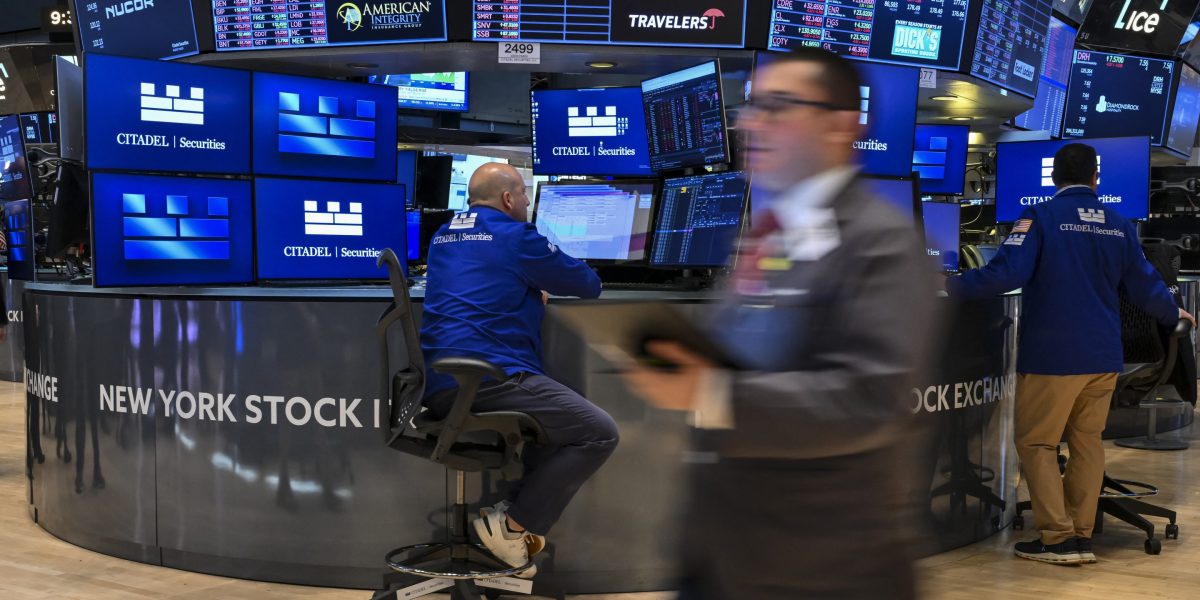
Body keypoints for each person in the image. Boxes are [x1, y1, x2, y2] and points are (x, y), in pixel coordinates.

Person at [624, 48, 936, 599]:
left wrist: (711, 392)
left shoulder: (880, 241)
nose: (752, 123)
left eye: (778, 107)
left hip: (824, 570)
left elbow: (867, 399)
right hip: (728, 555)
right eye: (752, 106)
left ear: (841, 125)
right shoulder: (772, 232)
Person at [946, 143, 1196, 565]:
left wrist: (947, 286)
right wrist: (1173, 313)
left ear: (1053, 177)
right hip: (1104, 357)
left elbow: (1006, 274)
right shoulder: (1118, 224)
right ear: (1096, 178)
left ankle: (1058, 539)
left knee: (1037, 442)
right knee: (1087, 442)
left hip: (1053, 356)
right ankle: (1081, 534)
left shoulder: (1039, 217)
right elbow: (1145, 284)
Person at [419, 162, 616, 576]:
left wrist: (525, 286)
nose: (528, 201)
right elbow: (588, 284)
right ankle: (511, 528)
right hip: (490, 378)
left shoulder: (443, 234)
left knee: (556, 426)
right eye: (525, 194)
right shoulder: (516, 237)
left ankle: (511, 521)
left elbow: (482, 279)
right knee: (598, 432)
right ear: (508, 199)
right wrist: (535, 279)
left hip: (439, 382)